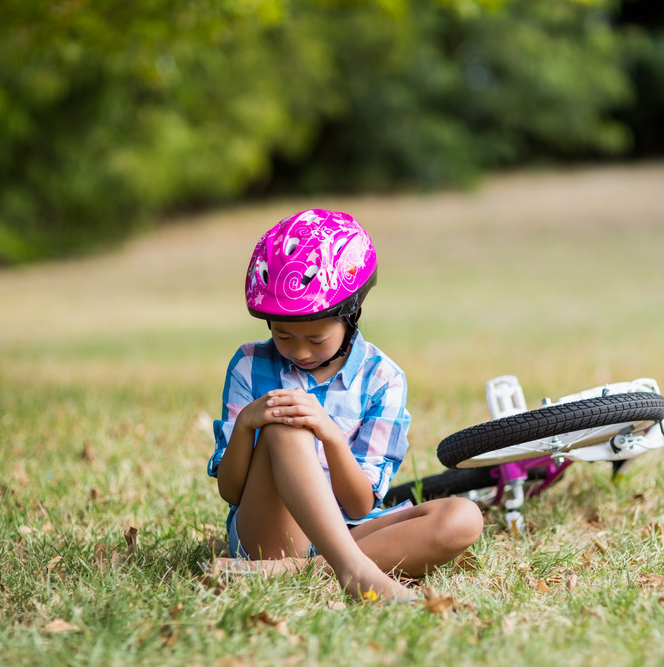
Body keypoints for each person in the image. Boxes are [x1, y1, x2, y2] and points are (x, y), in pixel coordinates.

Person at [207, 208, 484, 601]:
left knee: (463, 518)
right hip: (271, 534)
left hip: (351, 527)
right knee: (286, 422)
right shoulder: (249, 365)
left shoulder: (383, 379)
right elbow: (232, 492)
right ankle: (353, 570)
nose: (299, 351)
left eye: (316, 339)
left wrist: (332, 437)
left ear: (351, 314)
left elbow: (358, 504)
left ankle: (290, 572)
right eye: (284, 336)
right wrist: (252, 423)